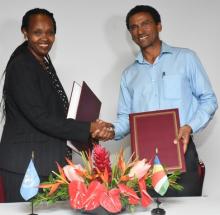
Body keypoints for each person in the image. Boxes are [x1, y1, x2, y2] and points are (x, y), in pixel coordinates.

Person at [104, 5, 218, 196]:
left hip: (182, 150)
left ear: (159, 26)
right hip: (143, 160)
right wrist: (108, 131)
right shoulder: (128, 75)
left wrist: (189, 127)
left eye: (145, 24)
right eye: (133, 27)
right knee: (148, 210)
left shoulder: (186, 58)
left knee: (187, 209)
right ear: (130, 34)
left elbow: (209, 100)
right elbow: (126, 119)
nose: (140, 30)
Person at [0, 8, 110, 202]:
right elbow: (40, 118)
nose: (45, 38)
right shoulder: (22, 65)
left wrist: (90, 123)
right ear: (24, 32)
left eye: (50, 32)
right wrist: (88, 128)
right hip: (26, 167)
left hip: (42, 163)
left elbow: (53, 112)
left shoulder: (41, 62)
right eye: (37, 32)